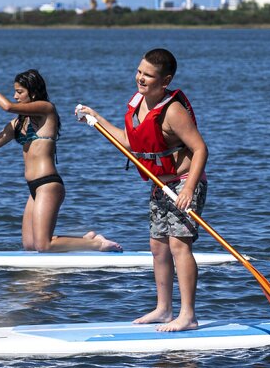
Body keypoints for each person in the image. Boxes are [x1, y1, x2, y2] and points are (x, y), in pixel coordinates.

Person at [76, 48, 208, 332]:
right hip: (161, 184)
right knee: (157, 246)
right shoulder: (138, 103)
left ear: (165, 80)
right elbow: (128, 140)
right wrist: (95, 119)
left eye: (148, 75)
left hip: (184, 182)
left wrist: (189, 189)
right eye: (139, 71)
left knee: (178, 245)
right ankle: (163, 309)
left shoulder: (173, 111)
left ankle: (188, 315)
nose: (141, 78)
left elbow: (200, 149)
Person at [0, 70, 122, 253]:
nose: (15, 96)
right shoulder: (17, 124)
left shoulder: (47, 109)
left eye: (19, 92)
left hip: (48, 184)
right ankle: (83, 241)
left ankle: (98, 244)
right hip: (33, 188)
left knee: (43, 245)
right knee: (30, 245)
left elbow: (7, 106)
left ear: (32, 93)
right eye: (14, 91)